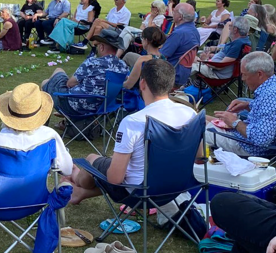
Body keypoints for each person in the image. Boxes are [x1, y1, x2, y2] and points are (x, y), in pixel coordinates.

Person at [68, 59, 196, 205]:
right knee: (125, 160)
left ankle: (77, 178)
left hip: (140, 194)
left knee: (92, 159)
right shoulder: (190, 113)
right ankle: (81, 192)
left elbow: (115, 180)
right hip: (176, 187)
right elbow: (199, 157)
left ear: (142, 84)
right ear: (171, 85)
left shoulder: (134, 122)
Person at [201, 52, 276, 158]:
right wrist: (248, 105)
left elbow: (262, 139)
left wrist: (235, 122)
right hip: (246, 140)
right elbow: (270, 113)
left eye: (245, 75)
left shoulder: (269, 97)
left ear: (259, 74)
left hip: (248, 147)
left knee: (195, 128)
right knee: (200, 118)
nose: (242, 79)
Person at [41, 33, 128, 117]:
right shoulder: (123, 66)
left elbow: (70, 84)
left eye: (97, 45)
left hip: (76, 106)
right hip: (103, 107)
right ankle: (69, 123)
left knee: (47, 81)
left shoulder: (92, 63)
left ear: (102, 47)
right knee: (60, 73)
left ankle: (42, 123)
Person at [158, 3, 200, 86]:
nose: (173, 12)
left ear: (180, 17)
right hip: (183, 74)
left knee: (133, 58)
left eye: (175, 11)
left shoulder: (179, 33)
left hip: (170, 74)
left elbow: (161, 56)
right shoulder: (195, 31)